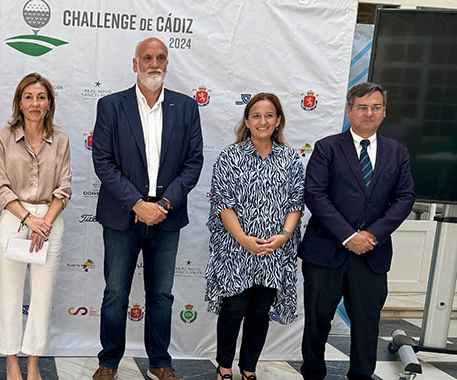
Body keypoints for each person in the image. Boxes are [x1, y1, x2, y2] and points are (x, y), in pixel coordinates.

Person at [91, 37, 204, 380]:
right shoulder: (111, 105)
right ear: (135, 63)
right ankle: (109, 361)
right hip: (122, 215)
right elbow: (103, 161)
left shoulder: (185, 107)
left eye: (161, 58)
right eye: (147, 58)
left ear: (167, 64)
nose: (154, 63)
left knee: (162, 294)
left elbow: (193, 162)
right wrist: (138, 204)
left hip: (167, 217)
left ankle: (159, 361)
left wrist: (164, 204)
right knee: (115, 293)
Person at [299, 82, 415, 380]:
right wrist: (349, 236)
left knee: (367, 325)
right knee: (317, 321)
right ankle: (312, 374)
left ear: (384, 112)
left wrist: (372, 235)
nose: (369, 113)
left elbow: (404, 198)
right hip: (327, 252)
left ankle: (362, 376)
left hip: (372, 255)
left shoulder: (397, 152)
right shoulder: (327, 147)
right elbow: (315, 194)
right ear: (349, 110)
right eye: (362, 107)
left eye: (376, 107)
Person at [204, 93, 304, 380]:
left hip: (275, 251)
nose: (263, 121)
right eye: (256, 116)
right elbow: (223, 203)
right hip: (236, 249)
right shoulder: (230, 156)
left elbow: (296, 204)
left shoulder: (290, 158)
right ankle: (224, 368)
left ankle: (249, 369)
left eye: (269, 115)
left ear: (278, 121)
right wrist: (244, 239)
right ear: (247, 121)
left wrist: (284, 236)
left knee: (260, 312)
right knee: (233, 309)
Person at [0, 72, 72, 380]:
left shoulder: (61, 140)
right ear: (19, 102)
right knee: (9, 294)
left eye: (41, 97)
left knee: (42, 296)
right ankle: (12, 361)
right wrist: (28, 219)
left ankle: (34, 362)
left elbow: (64, 187)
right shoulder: (3, 137)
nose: (35, 103)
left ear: (49, 103)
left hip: (50, 221)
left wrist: (44, 223)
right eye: (29, 97)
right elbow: (0, 186)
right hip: (14, 218)